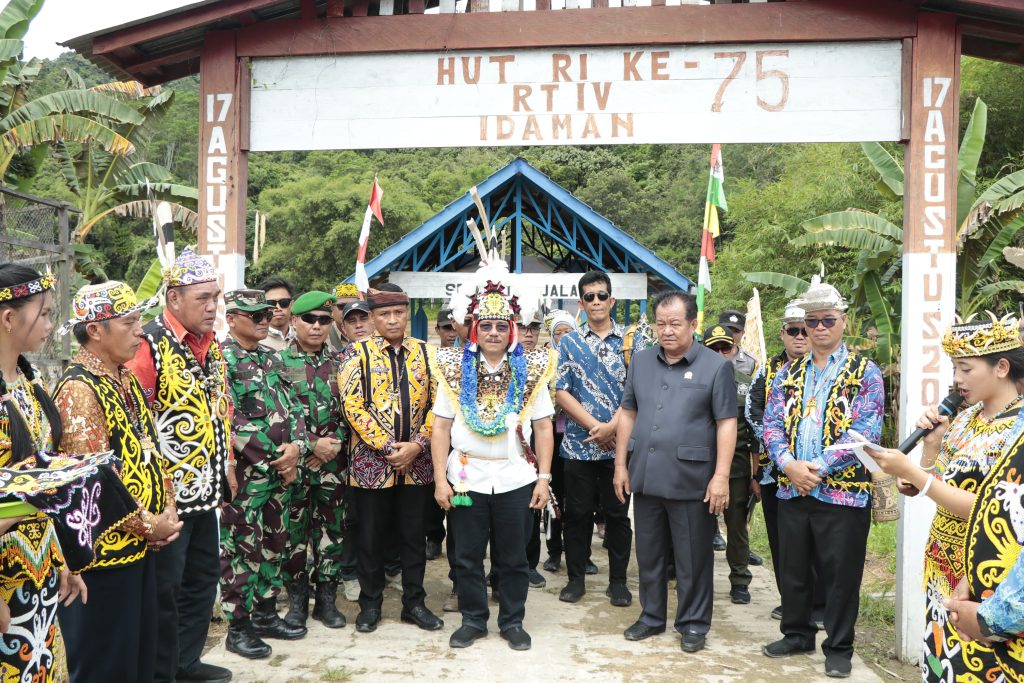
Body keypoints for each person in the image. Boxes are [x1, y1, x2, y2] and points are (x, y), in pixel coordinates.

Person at [864, 314, 1024, 681]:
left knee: (978, 666)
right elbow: (940, 480)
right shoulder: (965, 420)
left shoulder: (1018, 430)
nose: (957, 379)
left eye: (966, 369)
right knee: (940, 660)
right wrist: (930, 449)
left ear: (1001, 367)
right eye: (954, 368)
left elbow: (991, 510)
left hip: (984, 569)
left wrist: (917, 476)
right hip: (941, 562)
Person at [54, 281, 184, 683]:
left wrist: (168, 508)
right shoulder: (79, 390)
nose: (140, 331)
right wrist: (151, 525)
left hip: (139, 549)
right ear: (95, 330)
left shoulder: (123, 377)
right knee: (107, 667)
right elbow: (95, 484)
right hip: (103, 561)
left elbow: (152, 449)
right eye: (129, 323)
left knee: (140, 662)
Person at [760, 275, 884, 679]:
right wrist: (789, 465)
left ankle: (839, 647)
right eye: (811, 322)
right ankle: (797, 634)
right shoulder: (788, 373)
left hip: (842, 494)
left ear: (843, 321)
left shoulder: (865, 372)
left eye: (828, 320)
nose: (819, 328)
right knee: (793, 569)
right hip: (792, 488)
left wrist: (816, 468)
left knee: (841, 575)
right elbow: (771, 424)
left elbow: (865, 431)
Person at [431, 279, 555, 651]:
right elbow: (441, 427)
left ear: (512, 329)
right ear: (474, 329)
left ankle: (512, 621)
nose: (494, 332)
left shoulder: (530, 369)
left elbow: (543, 427)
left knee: (514, 557)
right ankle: (473, 620)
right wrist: (439, 480)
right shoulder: (454, 367)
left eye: (502, 325)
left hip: (516, 477)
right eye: (486, 325)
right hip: (466, 477)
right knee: (467, 556)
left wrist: (544, 479)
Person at [128, 247, 233, 683]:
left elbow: (221, 408)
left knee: (202, 581)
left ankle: (186, 663)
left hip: (206, 493)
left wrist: (226, 462)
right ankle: (161, 672)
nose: (212, 307)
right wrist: (155, 498)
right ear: (173, 298)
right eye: (202, 298)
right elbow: (135, 425)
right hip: (167, 501)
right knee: (165, 591)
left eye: (215, 298)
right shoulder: (149, 345)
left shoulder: (212, 345)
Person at [613, 291, 737, 654]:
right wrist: (620, 464)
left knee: (693, 557)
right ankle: (651, 616)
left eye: (675, 324)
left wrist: (721, 476)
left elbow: (726, 423)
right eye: (661, 324)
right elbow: (628, 413)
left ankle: (693, 623)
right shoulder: (641, 361)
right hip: (646, 474)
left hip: (692, 479)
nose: (667, 331)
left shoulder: (715, 366)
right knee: (649, 553)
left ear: (693, 324)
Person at [338, 284, 443, 634]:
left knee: (413, 536)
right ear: (373, 317)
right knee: (370, 537)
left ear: (407, 313)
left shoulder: (427, 353)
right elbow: (352, 406)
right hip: (371, 464)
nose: (393, 320)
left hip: (418, 463)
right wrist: (387, 448)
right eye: (384, 314)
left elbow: (440, 404)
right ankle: (370, 604)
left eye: (399, 312)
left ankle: (415, 603)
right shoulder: (356, 354)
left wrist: (417, 444)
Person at [0, 265, 84, 683]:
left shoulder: (32, 385)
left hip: (40, 565)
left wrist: (63, 559)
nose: (52, 324)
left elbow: (46, 484)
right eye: (45, 313)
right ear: (8, 317)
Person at [220, 289, 309, 659]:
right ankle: (238, 628)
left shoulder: (274, 358)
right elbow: (229, 417)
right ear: (231, 319)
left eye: (266, 315)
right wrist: (276, 457)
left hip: (280, 474)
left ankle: (267, 614)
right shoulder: (220, 360)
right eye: (254, 315)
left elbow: (297, 405)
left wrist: (297, 447)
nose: (263, 321)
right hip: (248, 476)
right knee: (242, 549)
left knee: (275, 542)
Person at [555, 270, 632, 607]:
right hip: (578, 446)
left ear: (612, 300)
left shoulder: (632, 341)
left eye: (602, 295)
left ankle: (618, 582)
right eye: (590, 297)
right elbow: (561, 391)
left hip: (620, 448)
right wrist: (595, 428)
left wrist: (613, 427)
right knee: (577, 515)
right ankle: (575, 580)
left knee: (618, 516)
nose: (596, 301)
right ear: (581, 303)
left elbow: (637, 389)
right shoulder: (569, 342)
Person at [746, 302, 825, 622]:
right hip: (775, 473)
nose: (800, 336)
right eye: (793, 330)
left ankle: (819, 605)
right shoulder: (767, 371)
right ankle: (790, 601)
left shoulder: (827, 369)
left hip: (818, 472)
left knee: (817, 541)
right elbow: (753, 412)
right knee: (783, 542)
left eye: (805, 329)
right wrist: (782, 449)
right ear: (782, 333)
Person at [277, 292, 348, 630]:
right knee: (294, 535)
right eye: (309, 319)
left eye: (324, 320)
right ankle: (297, 602)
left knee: (332, 533)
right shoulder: (277, 363)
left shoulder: (342, 362)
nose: (317, 326)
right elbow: (277, 414)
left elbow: (353, 410)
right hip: (296, 466)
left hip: (333, 466)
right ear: (294, 321)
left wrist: (334, 444)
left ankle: (326, 602)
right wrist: (311, 446)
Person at [702, 324, 758, 606]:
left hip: (735, 467)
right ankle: (690, 576)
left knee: (736, 526)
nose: (720, 354)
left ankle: (739, 580)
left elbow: (755, 429)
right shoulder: (693, 378)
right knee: (694, 526)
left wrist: (756, 473)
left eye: (726, 348)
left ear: (734, 349)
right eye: (713, 349)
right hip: (698, 465)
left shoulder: (746, 383)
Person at [336, 298, 374, 603]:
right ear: (343, 329)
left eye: (363, 319)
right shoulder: (338, 360)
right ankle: (349, 573)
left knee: (380, 518)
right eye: (352, 321)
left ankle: (386, 569)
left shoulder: (391, 356)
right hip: (347, 452)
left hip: (384, 454)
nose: (359, 325)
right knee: (351, 517)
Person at [542, 310, 578, 573]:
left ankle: (580, 553)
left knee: (578, 499)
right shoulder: (545, 362)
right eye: (558, 333)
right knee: (553, 495)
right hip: (551, 438)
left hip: (578, 437)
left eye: (568, 331)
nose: (564, 337)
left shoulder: (583, 358)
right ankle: (554, 550)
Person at [259, 277, 296, 352]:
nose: (278, 308)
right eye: (271, 303)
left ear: (292, 304)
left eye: (284, 302)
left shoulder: (302, 338)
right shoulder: (256, 341)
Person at [719, 309, 758, 375]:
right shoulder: (707, 354)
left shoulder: (749, 362)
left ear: (743, 333)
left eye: (736, 331)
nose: (731, 334)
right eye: (727, 329)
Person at [329, 283, 362, 353]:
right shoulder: (323, 335)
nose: (348, 310)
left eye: (353, 305)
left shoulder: (371, 332)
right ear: (332, 309)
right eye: (342, 306)